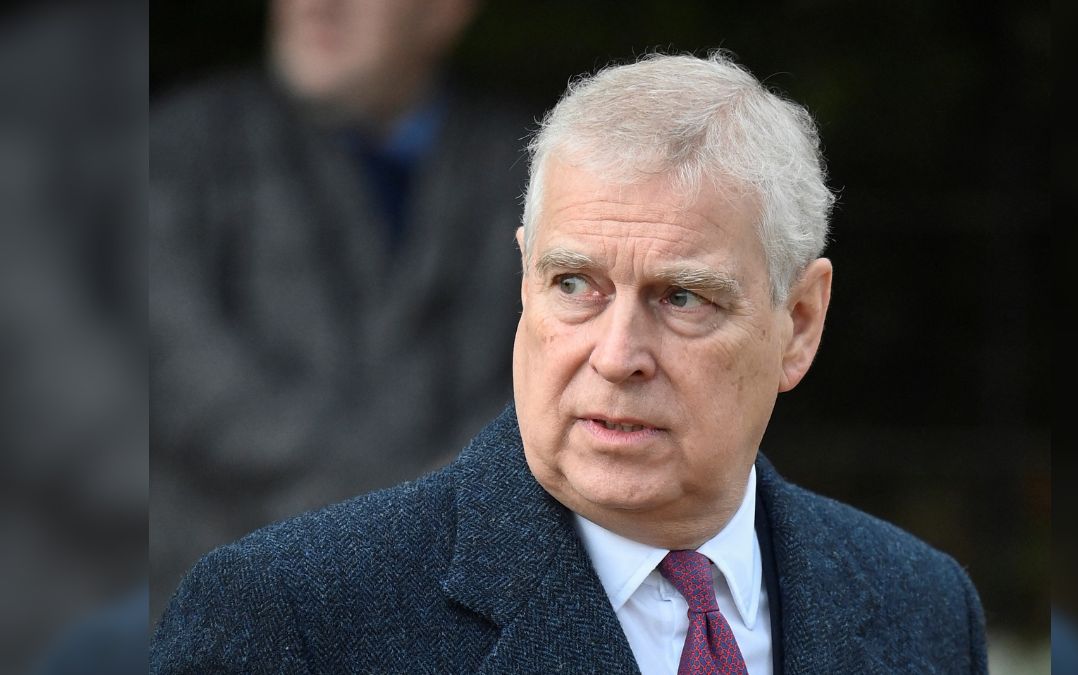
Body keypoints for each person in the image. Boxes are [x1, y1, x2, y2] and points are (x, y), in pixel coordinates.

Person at [152, 52, 987, 673]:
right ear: (524, 282)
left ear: (799, 323)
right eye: (576, 284)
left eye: (682, 298)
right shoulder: (290, 616)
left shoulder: (923, 604)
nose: (617, 355)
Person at [150, 0, 529, 621]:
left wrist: (449, 501)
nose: (317, 6)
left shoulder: (527, 168)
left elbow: (565, 362)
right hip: (216, 602)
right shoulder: (175, 149)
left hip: (462, 610)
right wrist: (404, 503)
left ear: (445, 12)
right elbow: (173, 363)